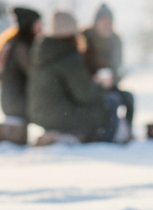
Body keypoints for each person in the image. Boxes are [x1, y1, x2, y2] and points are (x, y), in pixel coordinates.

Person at [28, 11, 122, 143]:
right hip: (61, 116)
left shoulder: (42, 51)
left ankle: (62, 135)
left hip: (40, 115)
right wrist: (102, 85)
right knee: (111, 102)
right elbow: (84, 95)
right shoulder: (69, 56)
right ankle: (105, 143)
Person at [83, 3, 134, 136]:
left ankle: (128, 132)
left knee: (128, 98)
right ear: (96, 22)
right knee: (111, 101)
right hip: (88, 86)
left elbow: (118, 66)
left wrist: (113, 78)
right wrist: (93, 79)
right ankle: (107, 137)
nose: (106, 25)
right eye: (103, 21)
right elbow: (79, 66)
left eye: (109, 22)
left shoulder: (115, 40)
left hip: (110, 84)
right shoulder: (85, 37)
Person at [0, 6, 42, 125]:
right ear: (29, 26)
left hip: (9, 104)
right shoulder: (21, 48)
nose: (41, 28)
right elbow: (35, 74)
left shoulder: (10, 44)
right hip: (19, 105)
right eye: (38, 24)